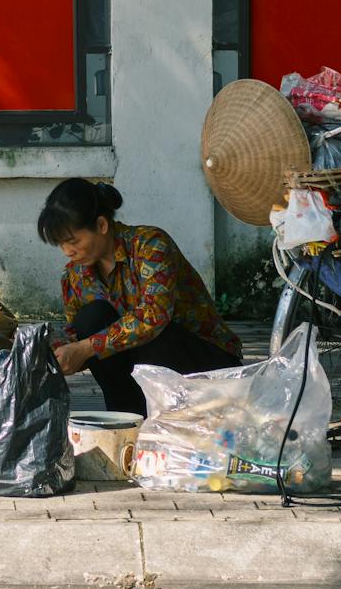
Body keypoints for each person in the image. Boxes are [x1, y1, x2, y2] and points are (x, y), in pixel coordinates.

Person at [39, 178, 243, 416]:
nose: (68, 252)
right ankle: (126, 417)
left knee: (150, 335)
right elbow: (79, 336)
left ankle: (168, 416)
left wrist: (85, 347)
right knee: (90, 320)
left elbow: (154, 315)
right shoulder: (74, 275)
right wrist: (53, 354)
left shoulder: (150, 245)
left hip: (205, 366)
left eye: (74, 242)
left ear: (102, 225)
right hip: (144, 373)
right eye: (61, 245)